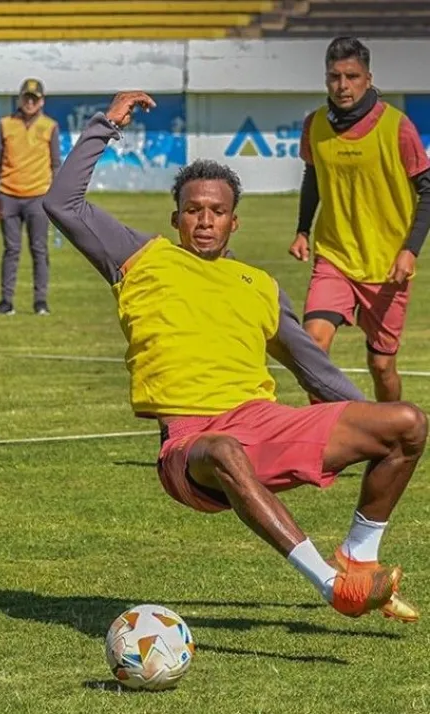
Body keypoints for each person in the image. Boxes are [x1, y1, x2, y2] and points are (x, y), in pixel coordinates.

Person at [43, 90, 425, 623]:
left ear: (234, 222)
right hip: (191, 445)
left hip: (262, 424)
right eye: (194, 211)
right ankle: (333, 585)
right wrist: (106, 124)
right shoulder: (140, 258)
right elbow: (62, 202)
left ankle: (357, 558)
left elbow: (316, 371)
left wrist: (371, 423)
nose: (204, 220)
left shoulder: (260, 286)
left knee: (406, 422)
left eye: (217, 212)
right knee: (223, 448)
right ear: (175, 217)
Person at [289, 36, 430, 402]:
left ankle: (396, 438)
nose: (342, 85)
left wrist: (410, 250)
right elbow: (313, 177)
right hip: (334, 256)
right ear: (325, 79)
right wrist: (303, 230)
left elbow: (428, 190)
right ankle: (326, 448)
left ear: (368, 78)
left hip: (386, 266)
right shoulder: (314, 125)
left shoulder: (397, 127)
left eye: (351, 76)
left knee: (382, 367)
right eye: (335, 76)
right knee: (314, 350)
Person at [0, 78, 60, 316]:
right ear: (20, 99)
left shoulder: (50, 126)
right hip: (8, 194)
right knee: (11, 249)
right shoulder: (5, 124)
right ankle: (6, 300)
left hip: (39, 196)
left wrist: (59, 197)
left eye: (34, 98)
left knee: (39, 250)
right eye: (26, 98)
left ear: (42, 101)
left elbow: (55, 164)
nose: (30, 102)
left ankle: (40, 301)